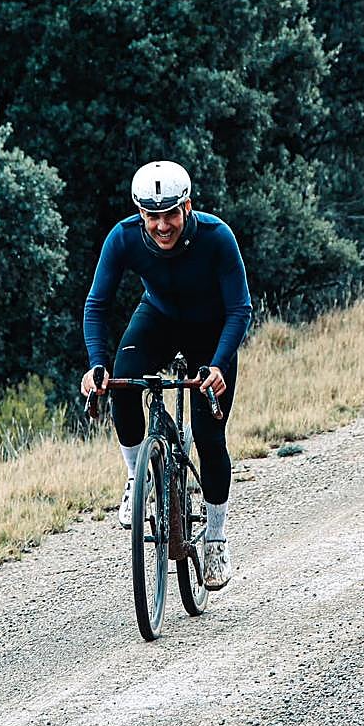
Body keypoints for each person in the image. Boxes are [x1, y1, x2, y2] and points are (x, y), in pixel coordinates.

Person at [80, 161, 252, 590]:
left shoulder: (216, 237)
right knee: (121, 383)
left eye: (170, 214)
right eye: (152, 216)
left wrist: (217, 365)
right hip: (157, 317)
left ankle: (215, 538)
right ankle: (139, 476)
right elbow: (97, 305)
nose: (161, 225)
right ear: (140, 214)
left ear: (187, 207)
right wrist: (96, 364)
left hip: (211, 332)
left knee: (210, 437)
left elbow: (239, 309)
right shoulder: (122, 238)